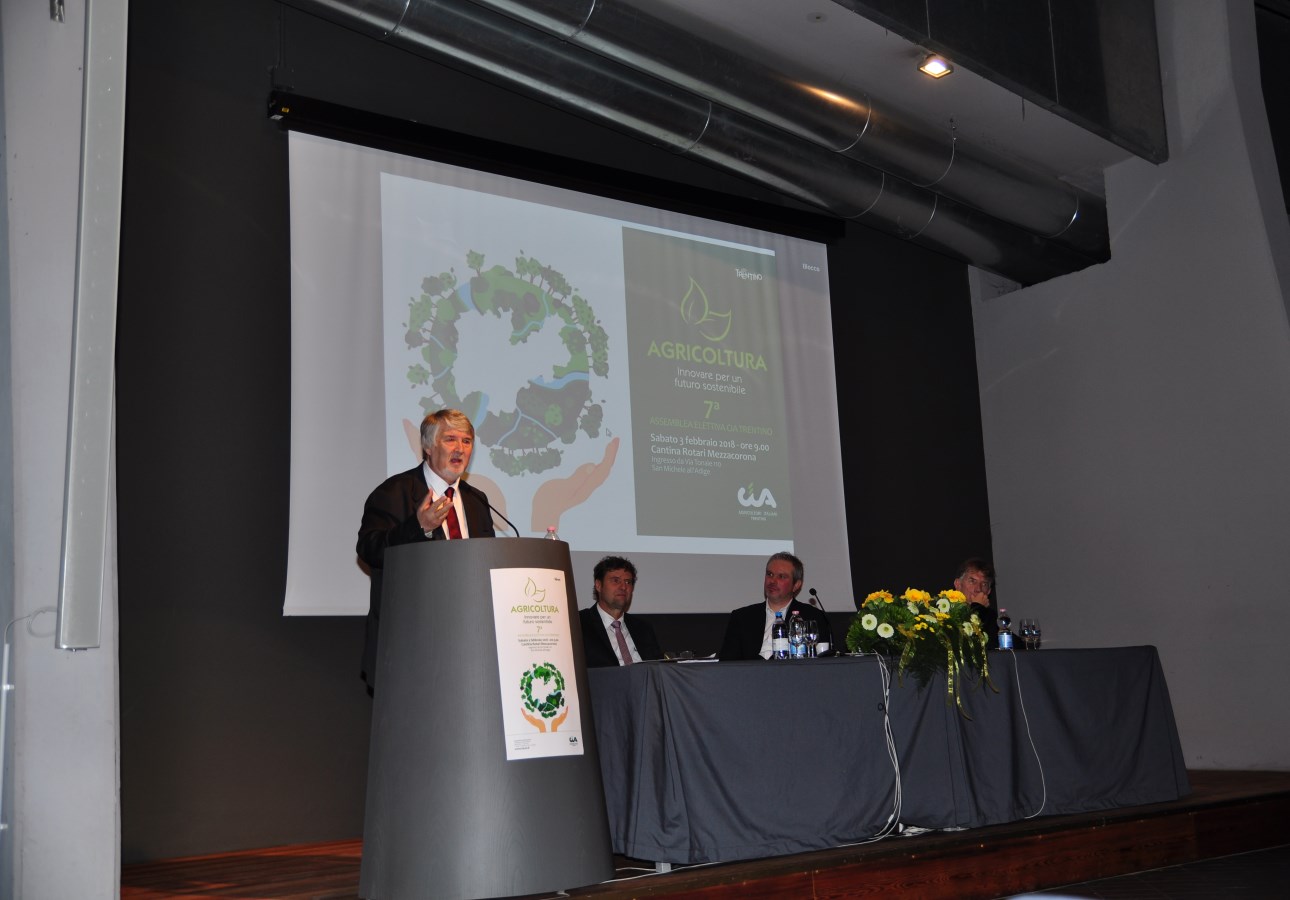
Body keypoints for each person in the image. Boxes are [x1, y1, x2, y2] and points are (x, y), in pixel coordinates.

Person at [356, 409, 496, 690]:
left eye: (467, 441)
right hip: (410, 644)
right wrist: (418, 526)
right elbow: (369, 550)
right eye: (450, 439)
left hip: (468, 643)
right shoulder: (393, 492)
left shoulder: (476, 501)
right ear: (429, 447)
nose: (460, 449)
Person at [718, 551, 831, 660]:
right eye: (770, 574)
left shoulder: (813, 617)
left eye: (781, 576)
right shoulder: (742, 617)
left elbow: (823, 661)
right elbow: (728, 662)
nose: (772, 581)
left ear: (796, 585)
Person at [579, 555, 663, 667]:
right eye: (615, 580)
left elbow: (658, 668)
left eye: (628, 582)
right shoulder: (579, 624)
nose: (623, 587)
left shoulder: (643, 628)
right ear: (598, 585)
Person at [953, 557, 997, 640]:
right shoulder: (946, 613)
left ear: (988, 591)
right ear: (958, 584)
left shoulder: (990, 616)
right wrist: (978, 607)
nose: (978, 589)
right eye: (972, 581)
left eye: (984, 584)